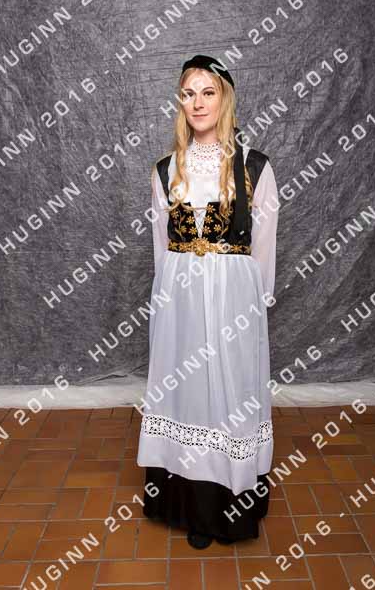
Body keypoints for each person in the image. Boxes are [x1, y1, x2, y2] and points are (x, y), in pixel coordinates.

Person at [136, 54, 279, 549]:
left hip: (233, 297)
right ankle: (191, 505)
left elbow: (263, 247)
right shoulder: (165, 170)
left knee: (231, 390)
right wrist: (167, 308)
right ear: (181, 102)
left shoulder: (255, 167)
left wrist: (254, 309)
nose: (198, 103)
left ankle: (232, 501)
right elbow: (161, 247)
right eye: (189, 93)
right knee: (188, 390)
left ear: (225, 99)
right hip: (180, 298)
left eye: (208, 92)